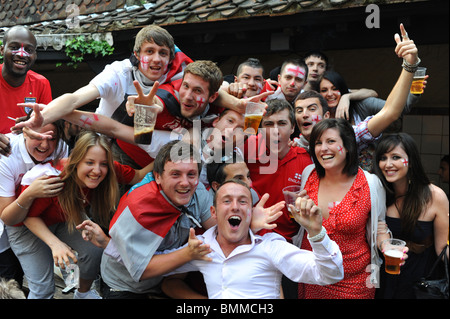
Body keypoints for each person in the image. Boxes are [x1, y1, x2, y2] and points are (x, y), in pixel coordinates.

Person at [12, 25, 192, 168]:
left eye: (163, 53)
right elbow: (75, 98)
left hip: (156, 150)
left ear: (170, 59)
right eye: (150, 51)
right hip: (104, 141)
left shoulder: (180, 78)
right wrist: (44, 119)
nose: (157, 59)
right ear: (136, 55)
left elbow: (217, 86)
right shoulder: (119, 73)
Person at [3, 131, 153, 299]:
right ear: (76, 162)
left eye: (103, 163)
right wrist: (55, 244)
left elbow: (139, 176)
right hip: (26, 225)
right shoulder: (53, 178)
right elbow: (28, 216)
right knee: (43, 288)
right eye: (89, 162)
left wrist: (170, 153)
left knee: (94, 249)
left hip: (64, 217)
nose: (97, 170)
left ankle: (83, 293)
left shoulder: (107, 170)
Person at [162, 179, 344, 299]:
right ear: (213, 213)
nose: (235, 207)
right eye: (226, 201)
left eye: (242, 201)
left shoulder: (270, 246)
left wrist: (316, 232)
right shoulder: (200, 247)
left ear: (251, 212)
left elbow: (331, 273)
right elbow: (153, 268)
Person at [297, 118, 394, 299]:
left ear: (348, 146)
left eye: (331, 141)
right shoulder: (308, 174)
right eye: (318, 143)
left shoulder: (370, 183)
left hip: (354, 280)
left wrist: (386, 245)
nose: (323, 148)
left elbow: (379, 225)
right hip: (313, 276)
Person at [373, 133, 449, 298]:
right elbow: (379, 230)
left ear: (411, 160)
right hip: (385, 277)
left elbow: (442, 247)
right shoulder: (378, 193)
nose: (388, 164)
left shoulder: (435, 196)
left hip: (420, 280)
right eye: (383, 158)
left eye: (395, 157)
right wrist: (384, 245)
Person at [0, 121, 66, 290]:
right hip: (11, 221)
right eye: (38, 137)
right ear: (24, 132)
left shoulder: (61, 148)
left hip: (44, 217)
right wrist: (30, 193)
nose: (45, 145)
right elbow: (7, 217)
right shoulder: (6, 156)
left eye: (52, 138)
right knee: (11, 278)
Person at [243, 99, 313, 243]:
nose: (275, 131)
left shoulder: (305, 160)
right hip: (249, 236)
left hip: (288, 242)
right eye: (269, 124)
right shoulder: (247, 148)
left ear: (293, 127)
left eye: (282, 123)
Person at [0, 25, 52, 155]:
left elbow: (50, 125)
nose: (21, 54)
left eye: (28, 50)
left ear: (35, 55)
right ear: (2, 50)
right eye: (14, 47)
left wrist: (33, 124)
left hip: (25, 157)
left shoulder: (41, 83)